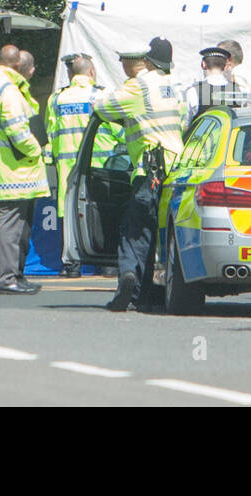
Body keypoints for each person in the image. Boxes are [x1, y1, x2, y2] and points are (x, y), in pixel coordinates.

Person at [93, 37, 186, 311]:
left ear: (135, 62)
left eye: (122, 61)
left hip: (149, 170)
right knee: (164, 232)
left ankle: (129, 278)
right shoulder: (173, 86)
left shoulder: (138, 87)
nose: (121, 65)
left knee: (135, 230)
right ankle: (149, 294)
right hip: (175, 168)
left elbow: (102, 107)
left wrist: (99, 94)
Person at [0, 44, 48, 295]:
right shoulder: (7, 90)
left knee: (11, 224)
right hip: (14, 169)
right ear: (17, 65)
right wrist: (36, 151)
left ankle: (14, 275)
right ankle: (6, 279)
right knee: (10, 225)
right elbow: (17, 130)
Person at [44, 53, 124, 278]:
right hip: (99, 167)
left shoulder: (57, 100)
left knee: (70, 216)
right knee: (101, 215)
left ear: (71, 74)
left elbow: (52, 133)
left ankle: (72, 266)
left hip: (68, 168)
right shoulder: (102, 96)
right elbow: (119, 131)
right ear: (91, 72)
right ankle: (107, 264)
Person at [184, 46, 236, 124]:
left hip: (202, 136)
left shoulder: (194, 92)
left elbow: (186, 125)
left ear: (204, 64)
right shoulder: (237, 90)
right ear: (225, 66)